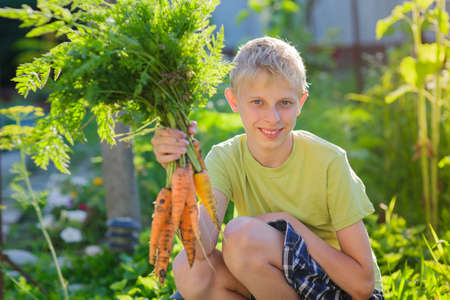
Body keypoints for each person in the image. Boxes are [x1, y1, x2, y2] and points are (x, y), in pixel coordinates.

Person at [151, 37, 384, 300]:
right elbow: (200, 248)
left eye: (284, 103)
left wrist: (289, 224)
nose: (272, 118)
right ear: (234, 101)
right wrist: (178, 173)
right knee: (189, 269)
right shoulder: (226, 157)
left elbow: (362, 285)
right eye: (257, 102)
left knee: (239, 236)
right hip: (272, 286)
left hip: (337, 291)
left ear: (301, 102)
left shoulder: (328, 161)